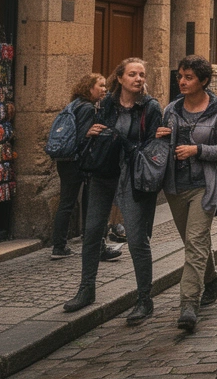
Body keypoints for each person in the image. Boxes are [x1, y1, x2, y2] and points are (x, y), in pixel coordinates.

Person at [62, 58, 162, 325]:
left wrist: (123, 141)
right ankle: (86, 289)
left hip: (133, 176)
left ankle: (144, 299)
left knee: (137, 238)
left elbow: (153, 144)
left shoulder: (150, 107)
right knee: (93, 231)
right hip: (103, 174)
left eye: (142, 74)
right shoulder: (105, 104)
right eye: (132, 74)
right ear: (120, 78)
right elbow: (93, 134)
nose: (138, 79)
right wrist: (90, 133)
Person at [158, 56, 217, 332]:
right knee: (195, 242)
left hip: (205, 186)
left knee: (194, 242)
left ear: (203, 81)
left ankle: (188, 304)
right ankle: (212, 278)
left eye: (189, 77)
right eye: (180, 76)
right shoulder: (171, 109)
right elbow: (162, 147)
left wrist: (197, 150)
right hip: (175, 187)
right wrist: (160, 136)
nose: (182, 81)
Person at [50, 73, 123, 262]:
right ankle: (82, 245)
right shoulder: (87, 108)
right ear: (89, 88)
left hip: (66, 161)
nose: (104, 89)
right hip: (77, 162)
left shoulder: (75, 104)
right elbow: (82, 139)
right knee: (83, 203)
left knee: (67, 202)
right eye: (100, 85)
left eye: (105, 85)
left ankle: (61, 245)